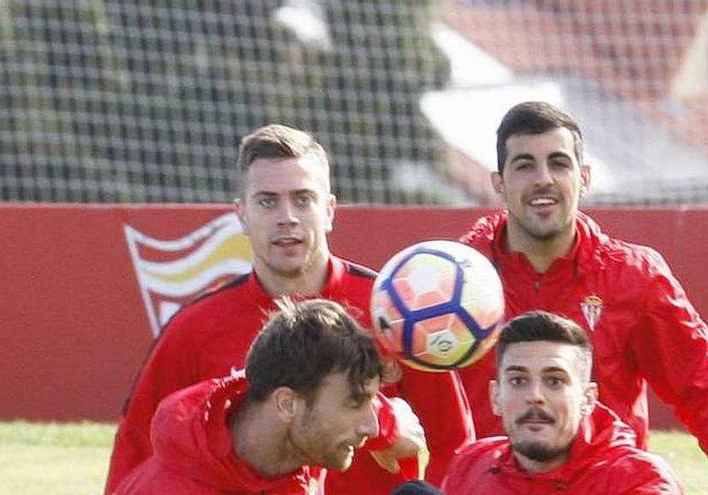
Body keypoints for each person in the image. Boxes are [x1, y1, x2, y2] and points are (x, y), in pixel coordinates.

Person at [106, 124, 474, 494]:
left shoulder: (394, 311)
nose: (287, 217)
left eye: (302, 199)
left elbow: (453, 443)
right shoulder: (195, 328)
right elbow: (136, 452)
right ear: (242, 214)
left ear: (329, 209)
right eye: (267, 201)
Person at [457, 101, 708, 494]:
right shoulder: (455, 280)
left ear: (584, 177)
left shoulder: (633, 276)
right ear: (498, 182)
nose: (544, 179)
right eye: (525, 165)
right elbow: (384, 380)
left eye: (559, 163)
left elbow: (704, 385)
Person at [115, 298, 417, 494]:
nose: (371, 426)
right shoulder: (167, 488)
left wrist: (390, 424)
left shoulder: (290, 436)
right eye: (355, 403)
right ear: (286, 403)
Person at [442, 311, 683, 494]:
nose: (535, 395)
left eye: (554, 381)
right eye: (518, 381)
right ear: (496, 397)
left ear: (587, 400)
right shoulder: (472, 464)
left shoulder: (639, 480)